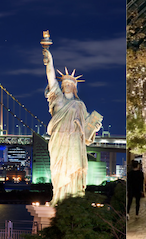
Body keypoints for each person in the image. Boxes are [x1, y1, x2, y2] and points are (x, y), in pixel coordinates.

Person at [42, 48, 102, 206]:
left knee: (75, 167)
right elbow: (50, 77)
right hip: (59, 139)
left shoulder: (79, 104)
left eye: (70, 83)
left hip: (75, 139)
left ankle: (74, 199)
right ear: (61, 86)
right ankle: (59, 197)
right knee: (58, 169)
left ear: (75, 87)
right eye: (65, 83)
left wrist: (94, 128)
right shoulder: (58, 99)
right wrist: (50, 60)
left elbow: (86, 126)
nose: (67, 85)